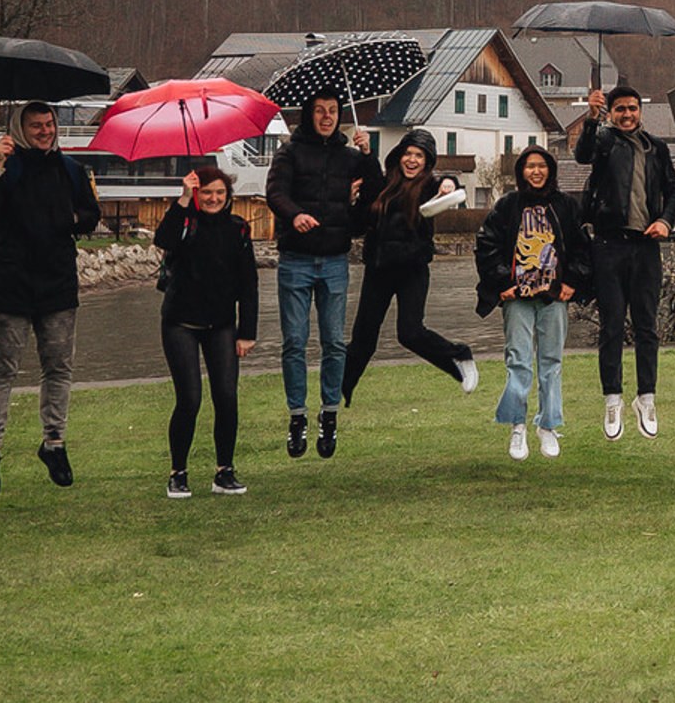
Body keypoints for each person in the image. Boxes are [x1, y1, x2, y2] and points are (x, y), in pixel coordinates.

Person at [0, 101, 100, 492]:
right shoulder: (4, 167)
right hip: (8, 284)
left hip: (57, 283)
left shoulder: (71, 170)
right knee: (1, 368)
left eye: (49, 124)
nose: (45, 131)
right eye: (36, 126)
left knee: (59, 367)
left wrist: (68, 220)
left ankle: (54, 442)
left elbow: (91, 215)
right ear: (21, 128)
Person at [262, 89, 378, 461]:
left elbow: (377, 190)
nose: (326, 117)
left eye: (332, 111)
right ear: (308, 115)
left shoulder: (348, 156)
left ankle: (329, 414)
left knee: (333, 342)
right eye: (319, 111)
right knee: (294, 342)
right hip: (295, 259)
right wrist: (294, 214)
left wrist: (368, 154)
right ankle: (297, 417)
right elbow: (275, 192)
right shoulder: (289, 153)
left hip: (334, 261)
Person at [573, 84, 675, 442]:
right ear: (611, 112)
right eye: (620, 109)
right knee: (612, 327)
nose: (627, 115)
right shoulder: (604, 142)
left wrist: (665, 220)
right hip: (608, 246)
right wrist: (591, 118)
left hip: (645, 247)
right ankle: (613, 397)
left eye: (632, 108)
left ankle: (646, 397)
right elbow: (582, 156)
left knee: (647, 326)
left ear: (640, 110)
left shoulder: (657, 148)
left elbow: (674, 191)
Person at [342, 132, 478, 410]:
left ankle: (460, 356)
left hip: (412, 270)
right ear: (399, 155)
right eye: (408, 154)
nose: (412, 160)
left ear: (427, 162)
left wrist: (449, 183)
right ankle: (337, 393)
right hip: (378, 269)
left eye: (419, 156)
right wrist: (351, 201)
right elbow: (357, 226)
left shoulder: (429, 187)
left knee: (410, 333)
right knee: (363, 341)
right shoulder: (383, 185)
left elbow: (447, 184)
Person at [475, 144, 587, 460]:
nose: (536, 171)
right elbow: (486, 246)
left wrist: (572, 282)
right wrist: (503, 283)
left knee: (551, 363)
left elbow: (581, 247)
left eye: (541, 165)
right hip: (518, 300)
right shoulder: (508, 205)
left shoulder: (565, 205)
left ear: (550, 169)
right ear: (521, 171)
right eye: (529, 166)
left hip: (553, 298)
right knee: (519, 362)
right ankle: (517, 427)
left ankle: (548, 425)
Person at [155, 163, 259, 499]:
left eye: (220, 193)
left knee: (227, 398)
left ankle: (224, 471)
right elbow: (163, 239)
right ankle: (177, 473)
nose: (213, 198)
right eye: (206, 192)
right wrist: (183, 199)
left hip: (222, 325)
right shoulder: (184, 221)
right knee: (190, 399)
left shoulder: (239, 228)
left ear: (228, 196)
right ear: (197, 194)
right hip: (180, 323)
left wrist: (247, 331)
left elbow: (249, 285)